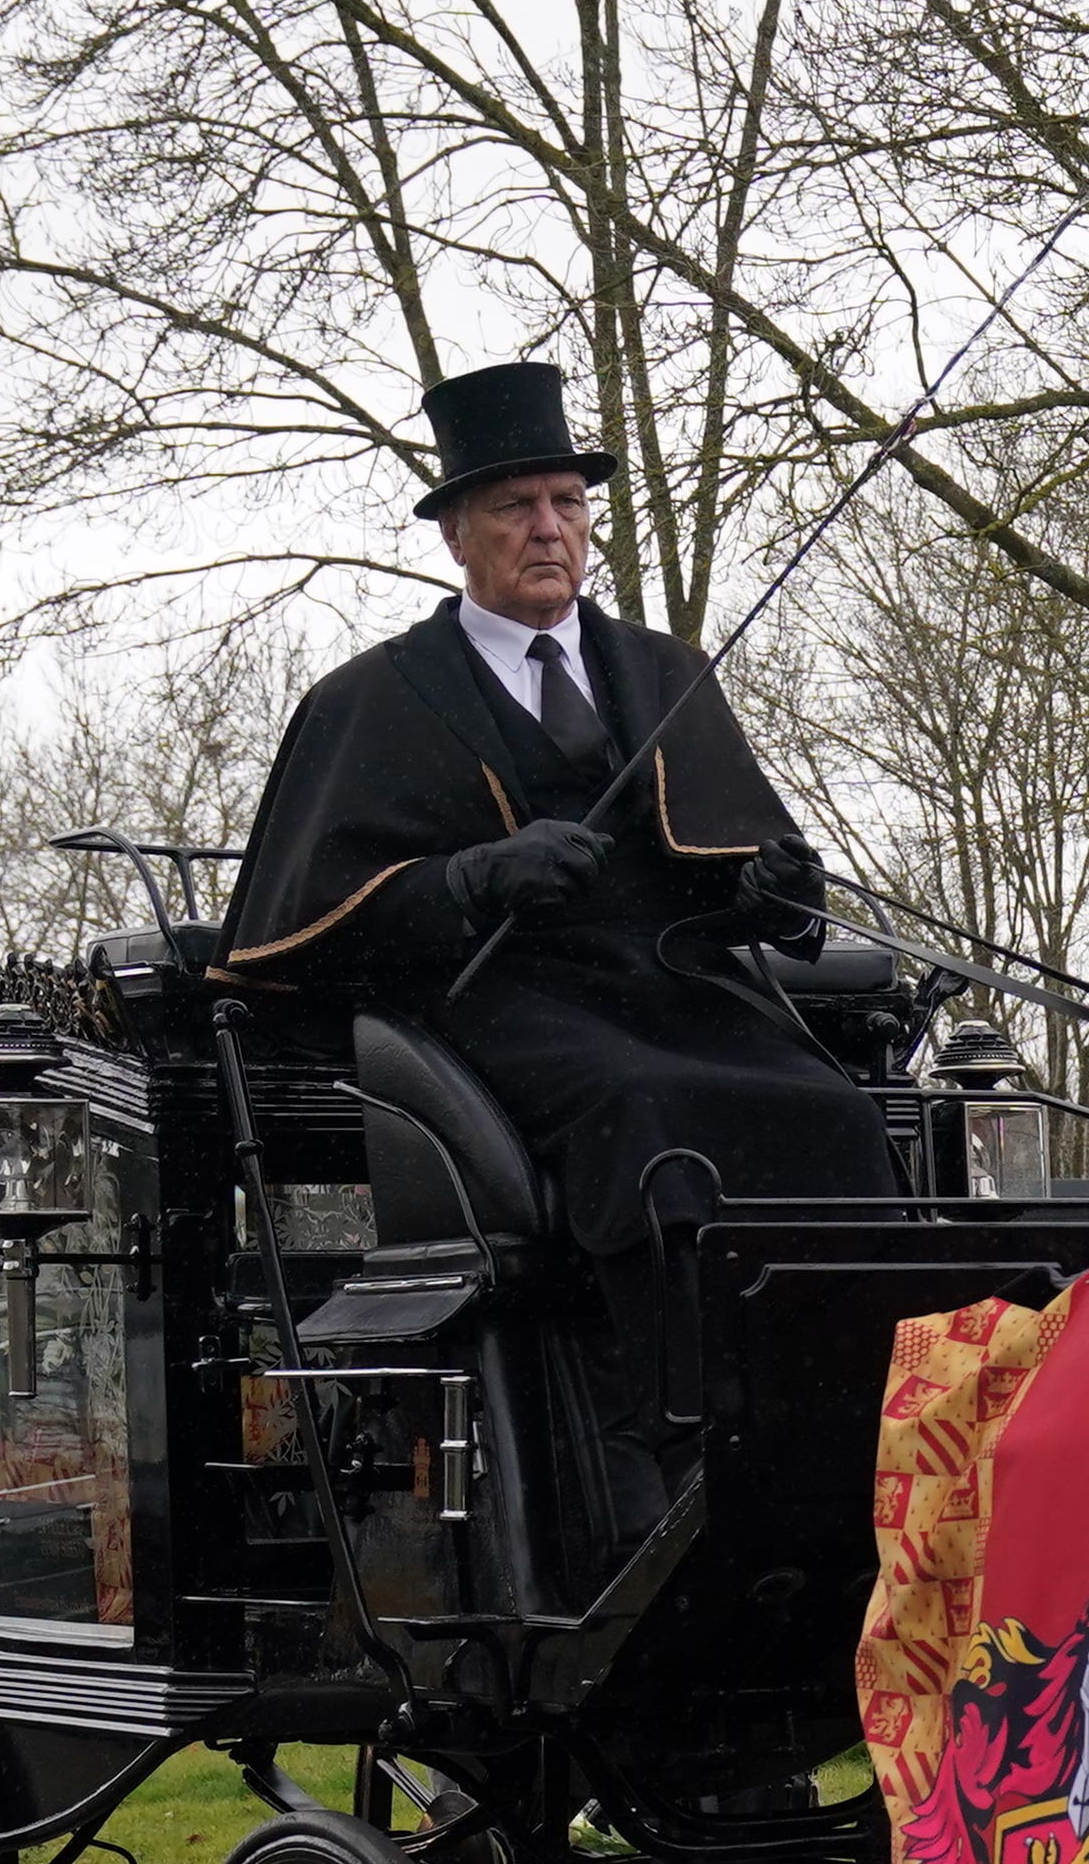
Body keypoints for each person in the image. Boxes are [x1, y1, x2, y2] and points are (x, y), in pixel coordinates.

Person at [217, 360, 892, 1500]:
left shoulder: (664, 675)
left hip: (682, 989)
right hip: (498, 1002)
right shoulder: (374, 699)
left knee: (835, 1115)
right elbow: (307, 932)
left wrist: (772, 893)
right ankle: (672, 1448)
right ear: (456, 536)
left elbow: (734, 887)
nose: (548, 530)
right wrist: (476, 878)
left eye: (567, 504)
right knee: (647, 1113)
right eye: (514, 507)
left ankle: (858, 1431)